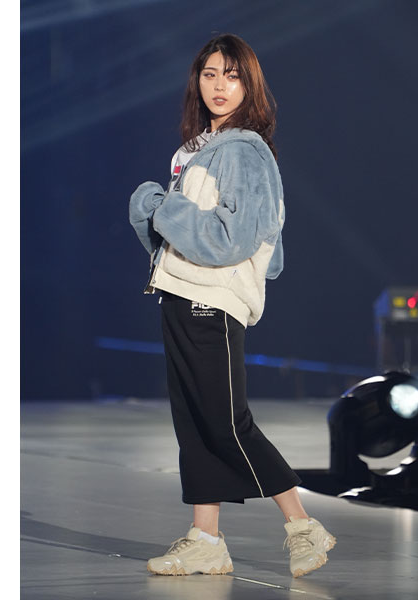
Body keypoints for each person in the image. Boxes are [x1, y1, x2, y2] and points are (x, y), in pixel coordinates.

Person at [129, 33, 335, 578]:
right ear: (196, 81)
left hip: (211, 299)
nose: (220, 86)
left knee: (225, 423)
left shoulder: (242, 151)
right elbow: (183, 238)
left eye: (233, 75)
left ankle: (302, 525)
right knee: (195, 424)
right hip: (181, 292)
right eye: (210, 74)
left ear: (250, 85)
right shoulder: (197, 149)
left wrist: (159, 207)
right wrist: (156, 212)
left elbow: (232, 239)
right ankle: (206, 539)